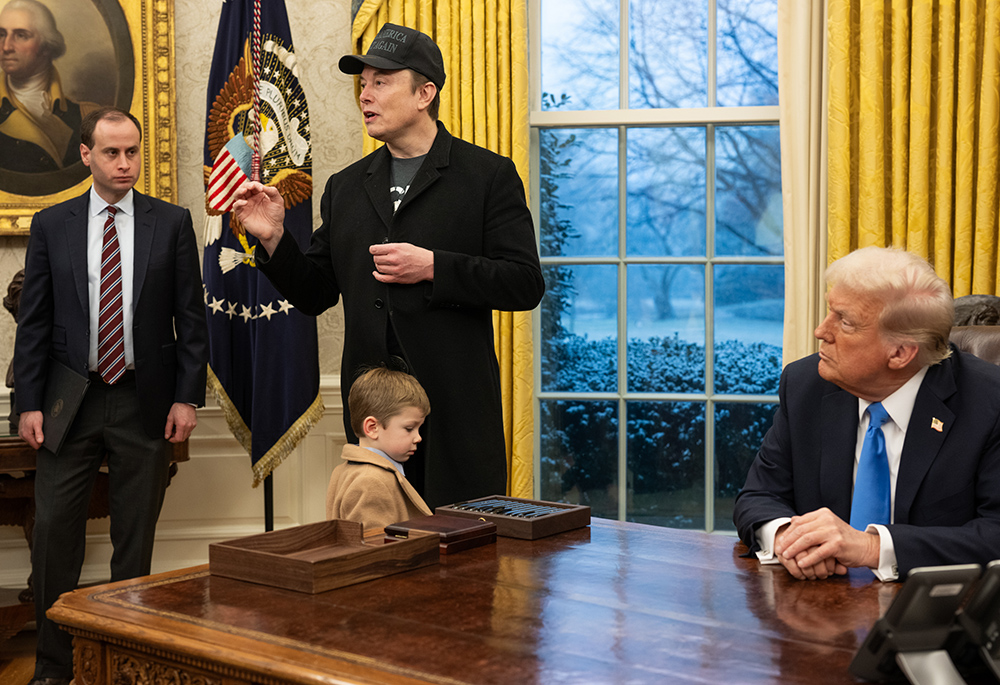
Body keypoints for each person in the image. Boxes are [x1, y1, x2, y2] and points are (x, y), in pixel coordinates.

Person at [233, 22, 544, 509]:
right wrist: (274, 238)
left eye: (381, 82)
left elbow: (524, 285)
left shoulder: (488, 176)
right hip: (374, 424)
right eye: (362, 84)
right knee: (375, 561)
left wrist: (435, 267)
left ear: (425, 93)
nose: (366, 95)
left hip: (456, 414)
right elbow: (315, 293)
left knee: (460, 565)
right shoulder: (346, 186)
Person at [13, 106, 207, 685]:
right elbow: (36, 323)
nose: (125, 164)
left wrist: (186, 397)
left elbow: (190, 320)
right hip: (68, 400)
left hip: (144, 399)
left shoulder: (170, 223)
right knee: (53, 535)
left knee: (134, 538)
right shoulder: (54, 224)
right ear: (86, 155)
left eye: (133, 152)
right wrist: (28, 401)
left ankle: (126, 659)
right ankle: (52, 665)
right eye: (112, 153)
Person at [733, 246, 1000, 582]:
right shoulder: (805, 385)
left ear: (900, 353)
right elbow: (758, 496)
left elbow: (994, 532)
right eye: (830, 312)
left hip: (936, 617)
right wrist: (789, 536)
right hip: (820, 611)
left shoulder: (989, 403)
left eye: (844, 321)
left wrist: (871, 548)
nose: (821, 331)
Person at [327, 367, 433, 530]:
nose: (418, 437)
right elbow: (375, 548)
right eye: (409, 428)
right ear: (372, 427)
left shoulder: (344, 470)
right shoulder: (371, 482)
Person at [0, 0, 99, 173]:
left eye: (21, 35)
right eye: (1, 34)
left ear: (47, 46)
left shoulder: (87, 116)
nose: (6, 46)